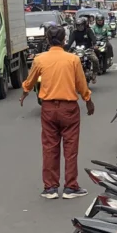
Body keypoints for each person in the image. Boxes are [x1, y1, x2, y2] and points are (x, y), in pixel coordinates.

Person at [21, 24, 94, 199]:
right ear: (64, 40)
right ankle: (70, 187)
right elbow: (81, 84)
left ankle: (50, 188)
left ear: (47, 40)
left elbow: (30, 82)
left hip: (48, 108)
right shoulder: (73, 60)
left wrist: (24, 94)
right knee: (70, 149)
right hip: (69, 109)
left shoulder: (40, 59)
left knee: (49, 148)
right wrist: (88, 100)